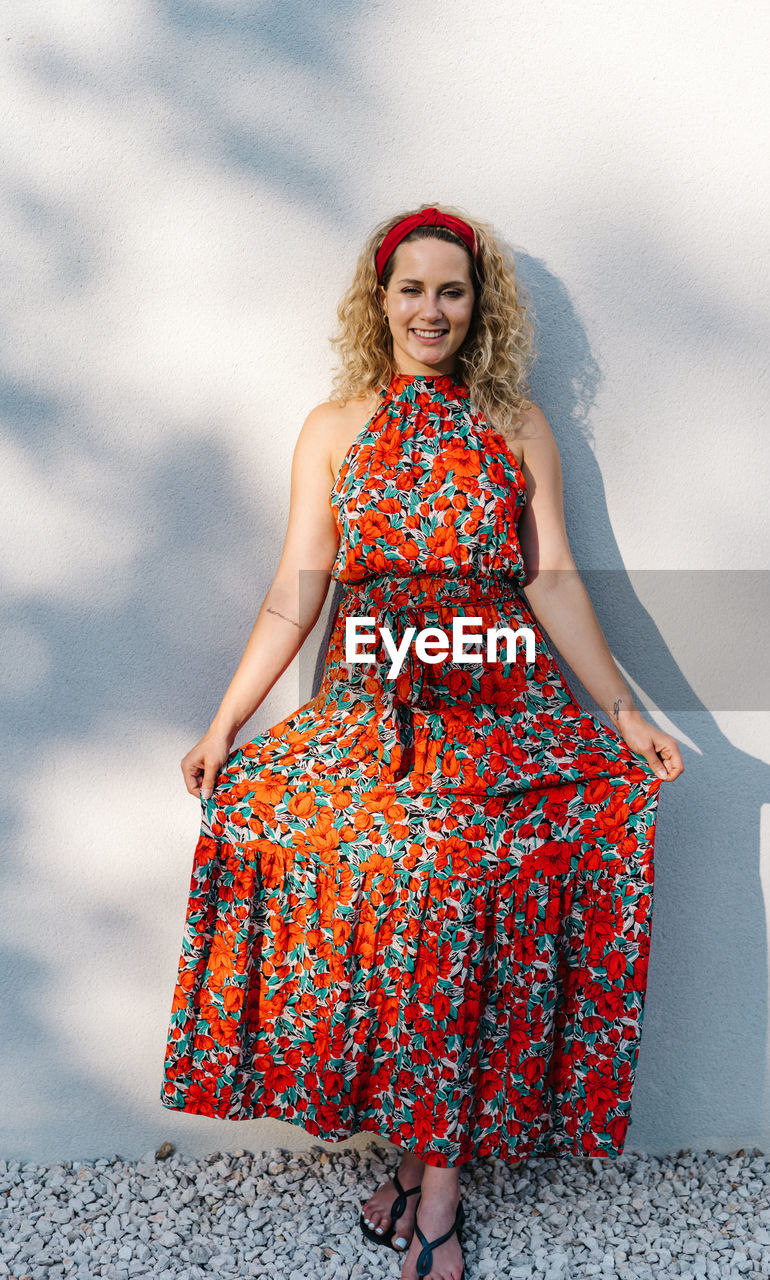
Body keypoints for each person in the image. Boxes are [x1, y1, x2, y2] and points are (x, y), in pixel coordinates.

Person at [160, 203, 684, 1280]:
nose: (430, 309)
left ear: (476, 305)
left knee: (453, 912)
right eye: (411, 289)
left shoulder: (516, 424)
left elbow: (551, 581)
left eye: (451, 290)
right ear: (380, 299)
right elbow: (293, 596)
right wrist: (226, 724)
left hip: (502, 711)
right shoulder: (335, 425)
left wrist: (626, 713)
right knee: (397, 917)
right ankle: (417, 1164)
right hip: (374, 717)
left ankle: (433, 1191)